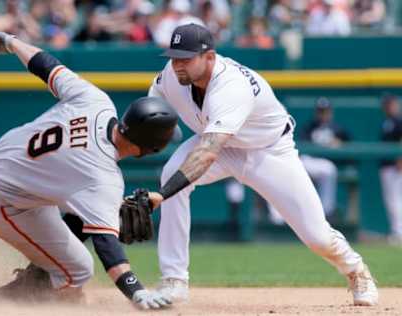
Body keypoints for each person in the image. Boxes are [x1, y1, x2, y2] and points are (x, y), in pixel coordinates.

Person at [144, 23, 378, 306]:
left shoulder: (231, 86)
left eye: (186, 57)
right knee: (172, 175)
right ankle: (174, 280)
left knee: (317, 236)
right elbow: (153, 104)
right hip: (220, 144)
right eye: (174, 56)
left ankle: (356, 270)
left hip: (267, 151)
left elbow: (206, 153)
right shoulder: (172, 75)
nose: (177, 64)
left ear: (209, 56)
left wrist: (161, 195)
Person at [0, 31, 177, 310]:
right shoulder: (102, 180)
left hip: (3, 165)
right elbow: (107, 248)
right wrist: (137, 292)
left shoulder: (95, 100)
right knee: (77, 269)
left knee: (74, 232)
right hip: (1, 201)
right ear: (149, 149)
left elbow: (45, 64)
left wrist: (12, 42)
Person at [379, 94, 402, 246]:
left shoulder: (399, 121)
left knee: (395, 200)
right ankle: (397, 231)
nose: (390, 107)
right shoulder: (386, 122)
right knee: (392, 200)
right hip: (387, 166)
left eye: (392, 104)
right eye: (387, 105)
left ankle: (398, 232)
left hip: (396, 166)